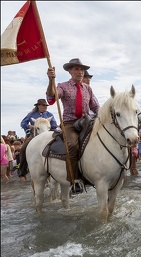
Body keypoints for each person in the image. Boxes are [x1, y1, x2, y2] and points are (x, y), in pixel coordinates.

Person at [46, 58, 100, 193]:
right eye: (76, 69)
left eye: (82, 69)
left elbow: (95, 107)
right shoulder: (62, 86)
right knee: (72, 145)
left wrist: (103, 117)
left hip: (87, 121)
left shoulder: (88, 88)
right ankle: (75, 179)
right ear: (70, 71)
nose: (80, 72)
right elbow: (52, 97)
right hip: (70, 123)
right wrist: (50, 80)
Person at [18, 98, 58, 181]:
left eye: (46, 105)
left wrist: (53, 127)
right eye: (43, 105)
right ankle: (22, 172)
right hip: (34, 135)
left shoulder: (49, 115)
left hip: (47, 135)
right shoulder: (31, 114)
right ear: (38, 106)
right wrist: (30, 126)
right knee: (23, 149)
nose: (45, 107)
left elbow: (54, 125)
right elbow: (23, 123)